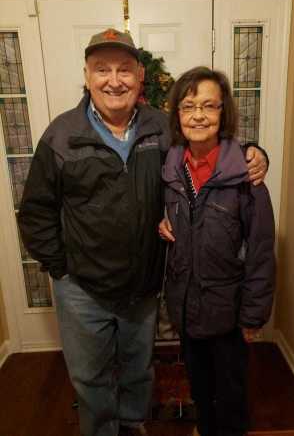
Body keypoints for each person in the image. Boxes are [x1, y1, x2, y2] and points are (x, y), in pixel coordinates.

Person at [18, 28, 268, 436]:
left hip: (143, 284)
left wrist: (255, 152)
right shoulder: (60, 134)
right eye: (102, 70)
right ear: (87, 75)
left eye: (124, 70)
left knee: (138, 369)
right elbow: (35, 210)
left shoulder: (161, 127)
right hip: (82, 288)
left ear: (139, 77)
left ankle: (134, 425)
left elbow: (208, 143)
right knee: (91, 378)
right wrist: (61, 266)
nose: (113, 80)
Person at [160, 66, 276, 436]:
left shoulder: (247, 177)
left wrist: (253, 316)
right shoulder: (170, 170)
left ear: (223, 113)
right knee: (200, 387)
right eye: (189, 105)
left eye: (209, 106)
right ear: (177, 113)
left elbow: (260, 250)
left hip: (228, 312)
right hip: (186, 307)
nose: (198, 115)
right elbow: (169, 217)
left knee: (231, 393)